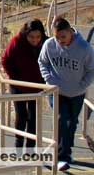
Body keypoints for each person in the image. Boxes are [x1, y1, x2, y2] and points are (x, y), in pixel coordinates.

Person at [38, 16, 94, 169]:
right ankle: (59, 155)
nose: (60, 40)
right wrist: (48, 79)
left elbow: (91, 70)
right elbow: (42, 62)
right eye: (56, 37)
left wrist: (82, 86)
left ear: (70, 32)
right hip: (56, 91)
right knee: (61, 120)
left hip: (77, 93)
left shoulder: (84, 48)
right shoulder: (49, 45)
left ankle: (66, 152)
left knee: (72, 123)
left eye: (63, 36)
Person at [1, 19, 47, 152]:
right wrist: (14, 77)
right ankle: (19, 143)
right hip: (19, 86)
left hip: (37, 86)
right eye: (31, 37)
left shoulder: (46, 43)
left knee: (34, 117)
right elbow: (5, 59)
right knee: (21, 115)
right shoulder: (16, 42)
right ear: (26, 34)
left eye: (38, 37)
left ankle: (31, 148)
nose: (35, 40)